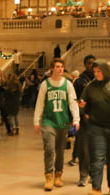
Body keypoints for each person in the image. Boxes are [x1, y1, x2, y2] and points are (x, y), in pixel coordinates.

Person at [79, 60, 110, 195]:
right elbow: (83, 101)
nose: (96, 74)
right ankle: (96, 188)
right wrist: (83, 107)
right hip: (96, 127)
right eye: (95, 71)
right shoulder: (90, 86)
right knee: (97, 157)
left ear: (105, 71)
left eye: (99, 71)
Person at [33, 58, 80, 191]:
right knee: (49, 149)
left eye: (62, 67)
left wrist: (76, 120)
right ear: (52, 68)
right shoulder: (45, 84)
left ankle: (58, 175)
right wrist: (36, 120)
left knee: (60, 151)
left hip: (63, 122)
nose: (60, 69)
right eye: (57, 66)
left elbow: (73, 103)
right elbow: (39, 103)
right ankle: (48, 176)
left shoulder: (68, 84)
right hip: (48, 121)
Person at [72, 55, 97, 187]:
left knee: (95, 150)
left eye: (93, 63)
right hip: (83, 121)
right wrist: (82, 114)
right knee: (84, 150)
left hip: (97, 121)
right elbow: (74, 101)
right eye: (89, 63)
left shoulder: (99, 80)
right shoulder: (79, 81)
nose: (91, 65)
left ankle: (94, 174)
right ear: (85, 64)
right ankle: (83, 175)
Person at [1, 68, 22, 135]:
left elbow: (6, 94)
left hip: (10, 103)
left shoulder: (10, 85)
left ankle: (13, 129)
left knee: (11, 116)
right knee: (15, 116)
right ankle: (17, 128)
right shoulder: (19, 85)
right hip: (16, 103)